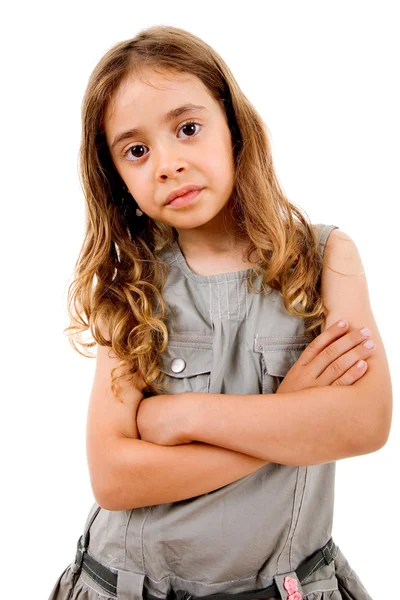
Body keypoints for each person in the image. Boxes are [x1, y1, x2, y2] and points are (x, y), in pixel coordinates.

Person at [48, 24, 392, 600]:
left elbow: (364, 424)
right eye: (136, 150)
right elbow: (113, 477)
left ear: (233, 128)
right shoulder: (131, 284)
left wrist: (183, 418)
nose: (167, 163)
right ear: (117, 178)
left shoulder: (327, 259)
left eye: (188, 128)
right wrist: (288, 419)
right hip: (128, 585)